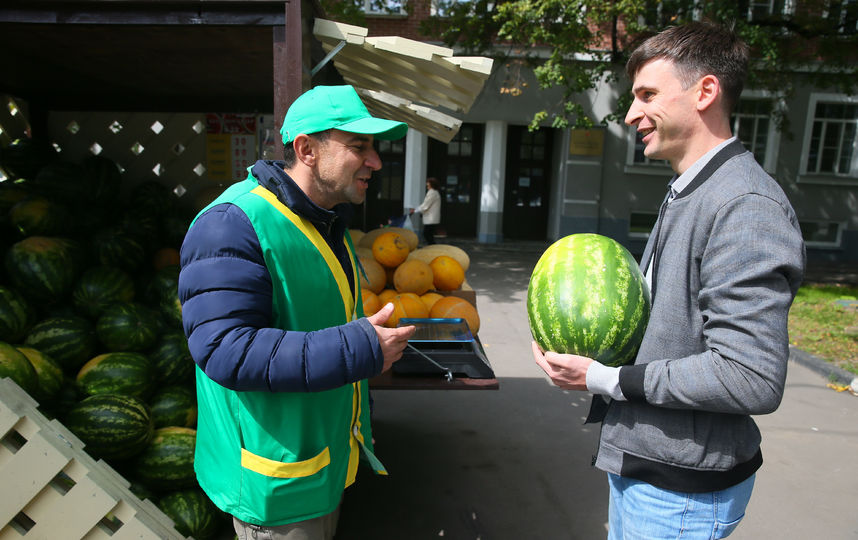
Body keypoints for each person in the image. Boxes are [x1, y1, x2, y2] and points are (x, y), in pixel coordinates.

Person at [532, 22, 805, 540]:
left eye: (646, 95)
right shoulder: (693, 188)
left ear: (705, 91)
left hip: (680, 495)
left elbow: (750, 375)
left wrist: (605, 378)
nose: (631, 114)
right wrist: (582, 349)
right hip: (655, 474)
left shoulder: (744, 205)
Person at [179, 85, 416, 540]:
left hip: (318, 470)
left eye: (375, 148)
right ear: (306, 149)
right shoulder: (232, 223)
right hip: (276, 488)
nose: (376, 162)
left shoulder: (326, 221)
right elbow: (226, 349)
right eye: (359, 147)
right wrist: (362, 346)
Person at [410, 176, 441, 244]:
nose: (427, 184)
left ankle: (433, 247)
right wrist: (416, 209)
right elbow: (425, 204)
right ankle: (432, 247)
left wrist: (415, 210)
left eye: (428, 183)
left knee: (427, 234)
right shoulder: (434, 192)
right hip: (432, 218)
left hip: (431, 218)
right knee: (429, 234)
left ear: (431, 184)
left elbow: (425, 205)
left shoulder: (432, 193)